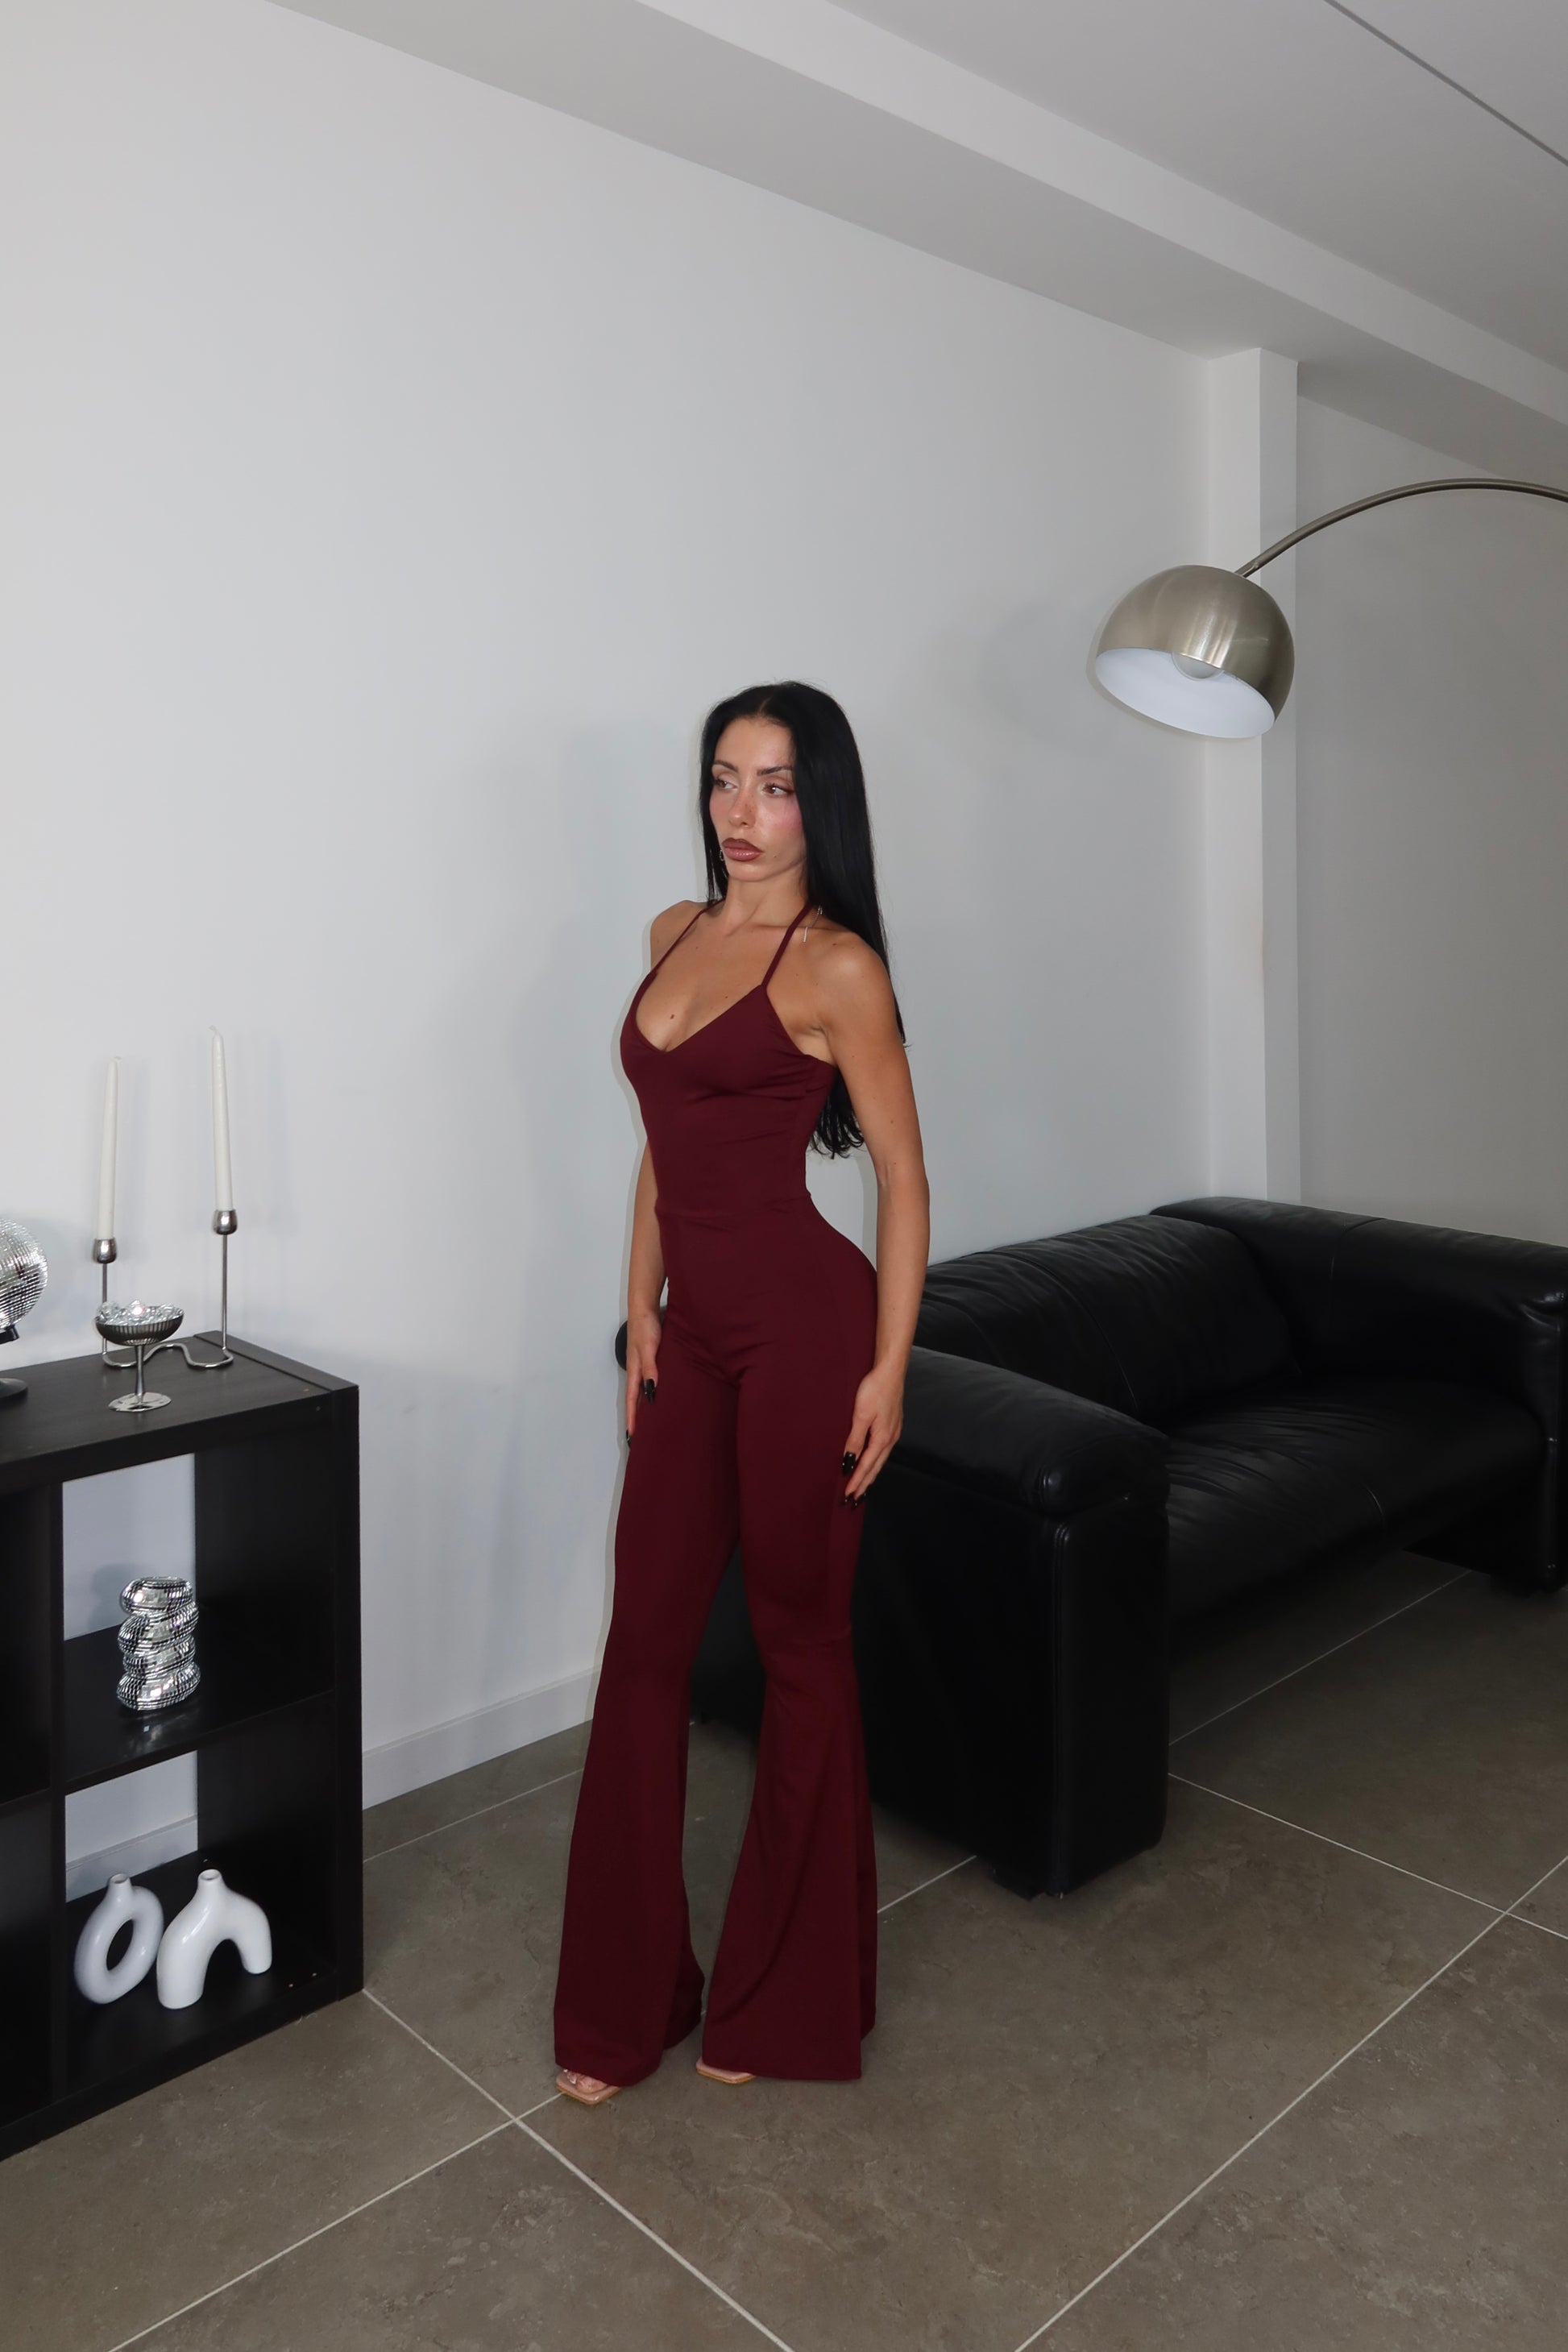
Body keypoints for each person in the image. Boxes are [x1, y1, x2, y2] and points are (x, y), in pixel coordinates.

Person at [552, 680, 931, 2104]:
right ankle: (627, 2000)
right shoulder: (675, 932)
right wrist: (640, 1308)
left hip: (806, 1338)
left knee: (796, 1645)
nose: (742, 812)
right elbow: (663, 1145)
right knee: (642, 1645)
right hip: (694, 1340)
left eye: (774, 786)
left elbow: (903, 1180)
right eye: (724, 778)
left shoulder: (836, 968)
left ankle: (785, 2002)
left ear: (818, 801)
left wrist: (888, 1366)